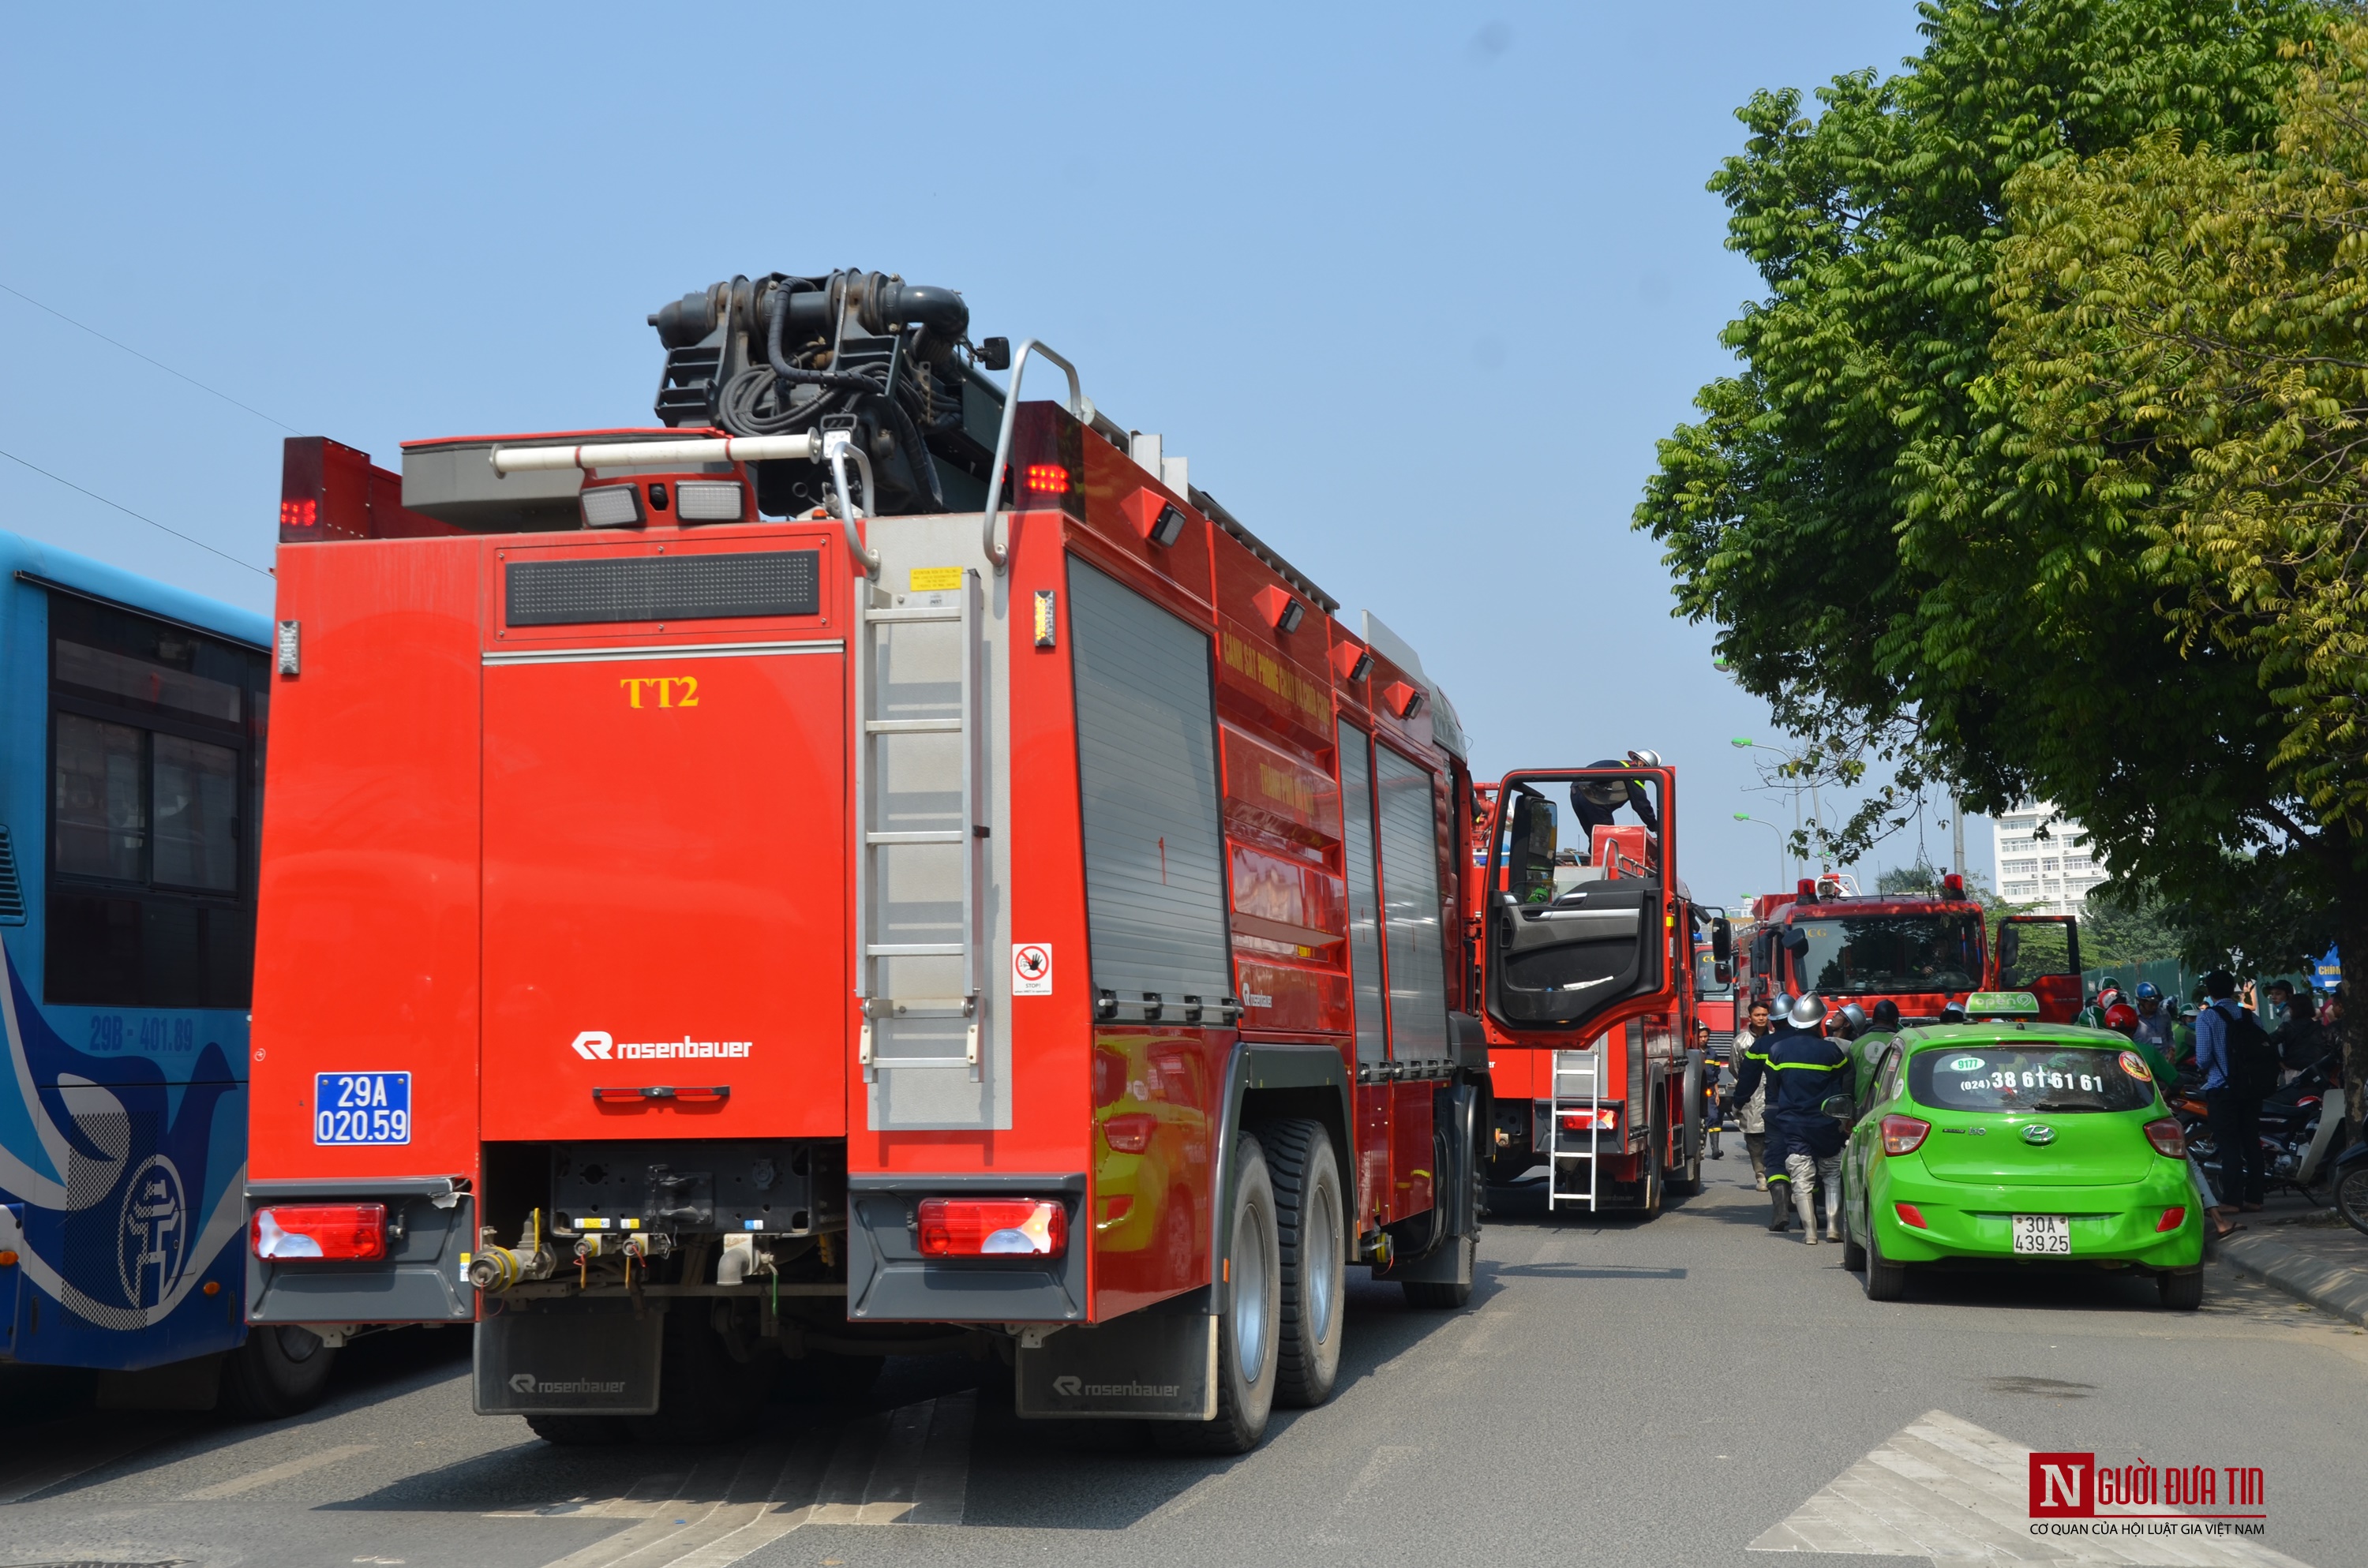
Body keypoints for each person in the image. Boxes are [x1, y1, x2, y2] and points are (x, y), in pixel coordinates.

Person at [2105, 1002, 2238, 1240]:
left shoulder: (2098, 1055)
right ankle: (2219, 1221)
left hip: (2107, 1123)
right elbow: (2176, 1082)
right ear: (2135, 1027)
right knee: (2188, 1165)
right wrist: (2162, 1095)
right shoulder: (2146, 1053)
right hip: (2148, 1121)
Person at [1732, 994, 1851, 1243]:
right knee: (1825, 1170)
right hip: (1823, 1118)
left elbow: (1752, 1078)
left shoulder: (1772, 1047)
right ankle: (1830, 1226)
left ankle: (1791, 1218)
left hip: (1783, 1114)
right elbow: (1843, 1083)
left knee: (1782, 1161)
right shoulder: (1830, 1050)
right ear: (1818, 1021)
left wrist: (1738, 1102)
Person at [2195, 968, 2272, 1213]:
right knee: (2251, 1141)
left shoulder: (2207, 1018)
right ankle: (2255, 1198)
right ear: (2234, 990)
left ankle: (2231, 1200)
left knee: (2228, 1145)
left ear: (2209, 992)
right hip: (2251, 1090)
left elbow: (2203, 1059)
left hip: (2223, 1089)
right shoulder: (2251, 1017)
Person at [1730, 999, 1776, 1197]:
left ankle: (1776, 1175)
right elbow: (1735, 1068)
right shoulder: (1741, 1042)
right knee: (1754, 1139)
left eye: (1764, 1015)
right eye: (1757, 1015)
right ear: (1750, 1017)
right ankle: (1761, 1176)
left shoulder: (1776, 1039)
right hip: (1751, 1097)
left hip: (1774, 1094)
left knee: (1774, 1138)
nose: (1761, 1018)